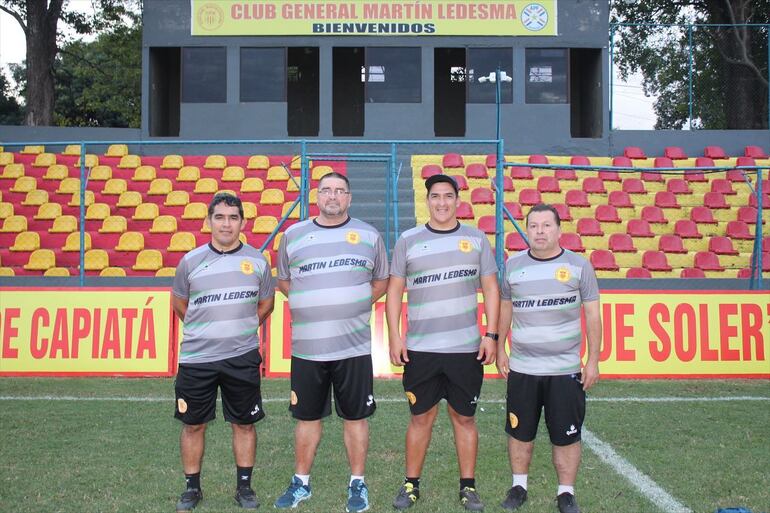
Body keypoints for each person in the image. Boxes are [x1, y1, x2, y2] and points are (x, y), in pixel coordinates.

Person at [275, 171, 389, 513]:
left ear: (349, 198)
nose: (333, 196)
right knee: (307, 417)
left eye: (340, 191)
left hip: (353, 346)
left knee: (355, 417)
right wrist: (314, 304)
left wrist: (352, 304)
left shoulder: (369, 235)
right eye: (326, 190)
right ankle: (301, 482)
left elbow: (381, 281)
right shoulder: (293, 235)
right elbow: (285, 281)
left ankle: (357, 484)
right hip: (308, 348)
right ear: (317, 196)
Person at [387, 174, 500, 512]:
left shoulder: (476, 239)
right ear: (427, 200)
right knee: (420, 417)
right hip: (421, 349)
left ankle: (468, 487)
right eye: (435, 196)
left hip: (465, 349)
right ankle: (411, 484)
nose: (441, 202)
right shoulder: (408, 240)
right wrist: (395, 335)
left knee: (464, 418)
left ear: (457, 200)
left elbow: (491, 289)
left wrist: (491, 335)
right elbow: (394, 290)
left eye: (448, 196)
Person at [171, 193, 275, 512]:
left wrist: (242, 328)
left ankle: (244, 488)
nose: (226, 224)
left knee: (244, 423)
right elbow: (179, 304)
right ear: (209, 222)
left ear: (242, 222)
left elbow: (266, 304)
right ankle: (192, 489)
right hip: (197, 358)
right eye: (219, 217)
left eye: (233, 218)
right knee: (193, 425)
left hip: (241, 356)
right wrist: (205, 330)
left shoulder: (258, 261)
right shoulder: (190, 261)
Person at [495, 203, 601, 513]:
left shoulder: (579, 266)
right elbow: (505, 308)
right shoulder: (513, 266)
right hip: (523, 367)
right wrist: (500, 348)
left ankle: (566, 493)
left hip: (565, 369)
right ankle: (519, 487)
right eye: (534, 226)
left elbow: (593, 315)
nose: (539, 232)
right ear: (526, 230)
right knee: (519, 431)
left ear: (558, 229)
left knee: (566, 436)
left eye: (546, 226)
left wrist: (593, 360)